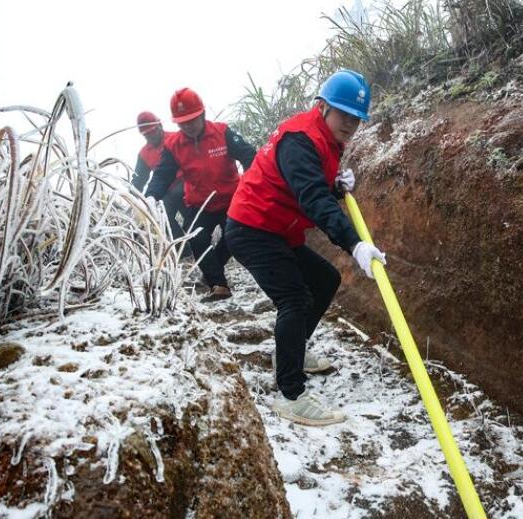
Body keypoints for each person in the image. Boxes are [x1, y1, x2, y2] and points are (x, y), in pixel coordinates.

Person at [225, 70, 386, 426]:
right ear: (323, 106)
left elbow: (309, 185)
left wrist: (335, 186)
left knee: (325, 279)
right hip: (253, 228)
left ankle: (291, 351)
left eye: (356, 118)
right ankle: (291, 393)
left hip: (277, 228)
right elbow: (311, 198)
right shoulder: (300, 138)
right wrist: (355, 243)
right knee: (294, 298)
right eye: (344, 114)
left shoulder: (324, 137)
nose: (350, 124)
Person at [146, 88, 256, 301]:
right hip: (198, 203)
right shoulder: (173, 146)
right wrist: (151, 195)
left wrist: (250, 186)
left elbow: (249, 155)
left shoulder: (223, 132)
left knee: (235, 237)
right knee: (197, 239)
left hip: (232, 199)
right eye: (182, 122)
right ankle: (218, 285)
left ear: (202, 114)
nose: (187, 126)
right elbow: (162, 176)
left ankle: (213, 269)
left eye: (192, 120)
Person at [132, 111, 191, 255]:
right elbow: (138, 180)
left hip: (188, 185)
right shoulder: (144, 154)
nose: (151, 136)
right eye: (146, 134)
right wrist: (133, 200)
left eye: (153, 131)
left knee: (192, 218)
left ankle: (200, 244)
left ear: (160, 126)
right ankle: (184, 250)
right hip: (166, 190)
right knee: (160, 214)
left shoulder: (176, 138)